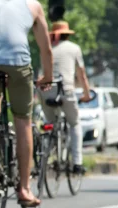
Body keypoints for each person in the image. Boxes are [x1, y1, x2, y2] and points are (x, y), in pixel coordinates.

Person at [0, 0, 53, 206]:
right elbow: (46, 50)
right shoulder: (33, 5)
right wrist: (48, 77)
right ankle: (25, 190)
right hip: (17, 62)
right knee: (23, 119)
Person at [38, 21, 91, 175]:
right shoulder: (74, 48)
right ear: (68, 34)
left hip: (46, 91)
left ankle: (48, 154)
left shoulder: (46, 49)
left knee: (50, 123)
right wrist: (86, 94)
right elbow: (82, 75)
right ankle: (77, 162)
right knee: (75, 124)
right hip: (66, 90)